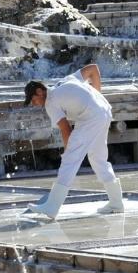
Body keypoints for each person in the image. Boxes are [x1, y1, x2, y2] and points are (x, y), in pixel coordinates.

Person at [22, 63, 123, 220]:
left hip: (91, 117)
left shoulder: (50, 103)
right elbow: (93, 69)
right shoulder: (66, 80)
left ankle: (51, 207)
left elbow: (65, 129)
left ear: (40, 91)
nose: (34, 104)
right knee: (98, 159)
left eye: (33, 100)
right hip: (104, 110)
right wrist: (96, 97)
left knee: (70, 160)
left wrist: (69, 151)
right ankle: (116, 203)